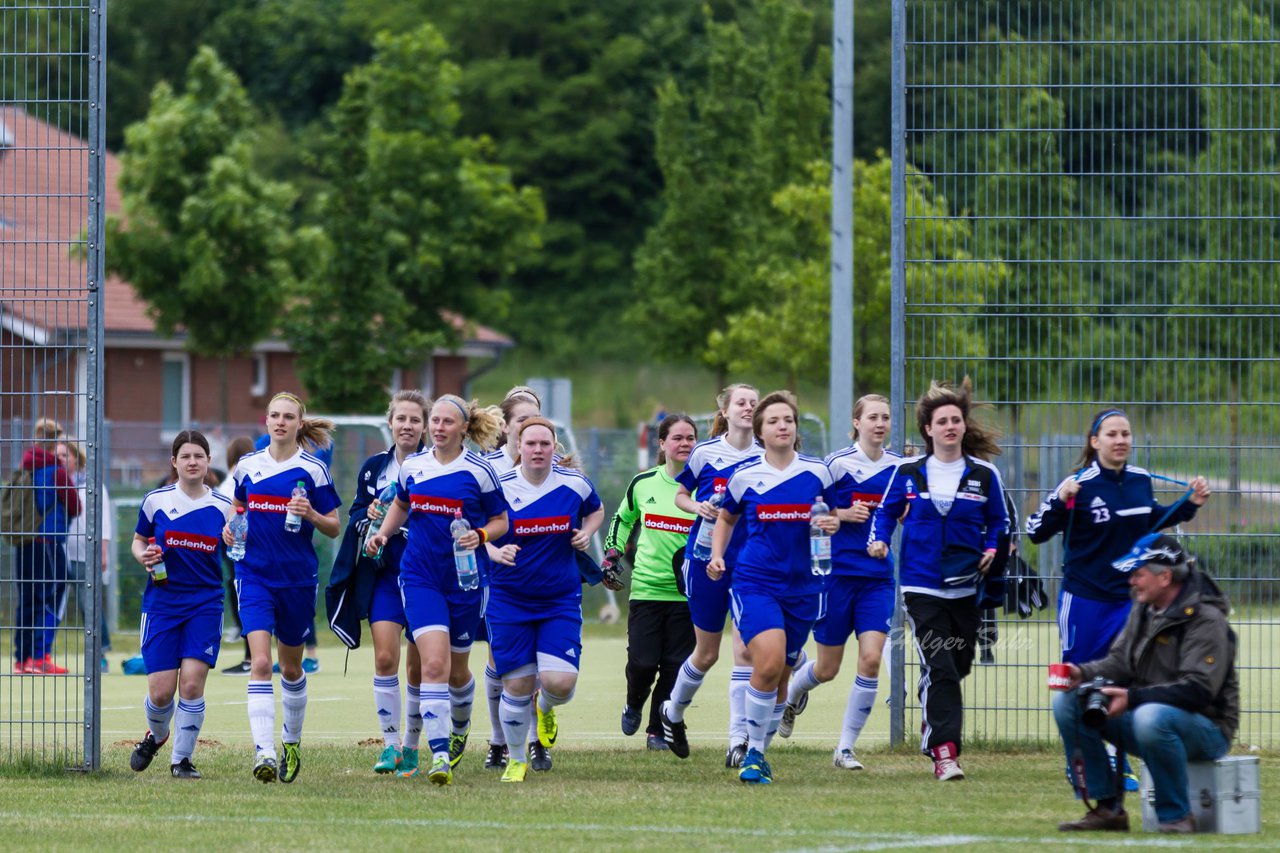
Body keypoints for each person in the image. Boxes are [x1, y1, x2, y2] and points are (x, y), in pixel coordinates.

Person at [1026, 408, 1210, 790]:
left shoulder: (1141, 480)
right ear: (1095, 442)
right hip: (1085, 600)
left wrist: (1189, 503)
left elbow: (1151, 521)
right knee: (1077, 682)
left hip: (1129, 601)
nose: (1121, 440)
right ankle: (1078, 764)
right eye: (1112, 434)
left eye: (1126, 433)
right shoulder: (1079, 482)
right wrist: (1060, 500)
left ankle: (1120, 763)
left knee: (1124, 680)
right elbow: (1035, 531)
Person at [868, 378, 1008, 781]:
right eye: (941, 421)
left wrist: (993, 549)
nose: (950, 426)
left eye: (956, 420)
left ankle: (931, 701)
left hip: (966, 588)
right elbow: (884, 514)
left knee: (955, 666)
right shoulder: (908, 472)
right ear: (927, 429)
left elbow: (999, 522)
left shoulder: (984, 475)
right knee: (943, 668)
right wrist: (878, 541)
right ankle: (945, 753)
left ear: (964, 426)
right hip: (921, 587)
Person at [365, 394, 508, 786]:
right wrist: (381, 533)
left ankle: (460, 726)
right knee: (432, 666)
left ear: (464, 428)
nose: (440, 427)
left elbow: (501, 521)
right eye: (437, 421)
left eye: (448, 422)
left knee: (457, 672)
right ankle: (439, 754)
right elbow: (401, 504)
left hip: (465, 581)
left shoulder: (478, 472)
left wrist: (479, 536)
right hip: (420, 576)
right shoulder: (413, 467)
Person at [1053, 533, 1238, 835]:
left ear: (1165, 577)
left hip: (1207, 728)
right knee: (1068, 703)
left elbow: (1197, 691)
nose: (1131, 582)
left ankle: (1176, 817)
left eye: (1138, 574)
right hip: (1149, 717)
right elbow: (1119, 663)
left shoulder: (1207, 619)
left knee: (1150, 717)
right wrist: (1081, 674)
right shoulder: (1144, 608)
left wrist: (1132, 698)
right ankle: (1108, 808)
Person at [704, 390, 838, 784]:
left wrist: (834, 522)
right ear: (761, 431)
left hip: (805, 586)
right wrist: (718, 555)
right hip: (755, 581)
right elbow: (726, 518)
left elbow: (833, 515)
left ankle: (760, 749)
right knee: (768, 662)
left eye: (789, 420)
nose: (783, 426)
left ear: (796, 429)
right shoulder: (746, 475)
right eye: (774, 421)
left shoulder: (818, 473)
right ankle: (752, 753)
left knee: (781, 673)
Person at [777, 394, 904, 770]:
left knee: (870, 660)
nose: (880, 424)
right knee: (828, 668)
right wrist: (842, 514)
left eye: (885, 418)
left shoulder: (900, 468)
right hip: (835, 577)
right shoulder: (835, 465)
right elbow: (811, 513)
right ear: (857, 423)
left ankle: (845, 748)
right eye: (872, 418)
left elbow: (905, 509)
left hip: (878, 579)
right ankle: (792, 696)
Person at [223, 392, 341, 784]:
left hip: (296, 578)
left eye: (288, 417)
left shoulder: (314, 469)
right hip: (253, 574)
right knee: (260, 663)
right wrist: (229, 527)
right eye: (274, 415)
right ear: (266, 420)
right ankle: (265, 752)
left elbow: (334, 525)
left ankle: (291, 740)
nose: (280, 422)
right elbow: (237, 506)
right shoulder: (247, 466)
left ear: (298, 423)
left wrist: (310, 513)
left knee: (291, 667)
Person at [485, 418, 605, 782]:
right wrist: (493, 551)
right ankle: (517, 758)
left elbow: (596, 510)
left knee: (559, 683)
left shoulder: (574, 484)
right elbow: (472, 530)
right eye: (531, 443)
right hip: (509, 599)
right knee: (517, 686)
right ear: (517, 446)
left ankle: (547, 708)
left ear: (555, 448)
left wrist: (585, 533)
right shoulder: (498, 488)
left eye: (545, 444)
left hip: (559, 600)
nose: (538, 450)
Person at [325, 390, 428, 777]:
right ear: (390, 423)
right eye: (401, 419)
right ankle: (390, 746)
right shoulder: (374, 468)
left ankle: (414, 744)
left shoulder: (435, 466)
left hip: (425, 573)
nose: (407, 426)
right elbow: (353, 516)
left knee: (419, 668)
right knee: (385, 658)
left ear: (425, 426)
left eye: (415, 420)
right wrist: (367, 516)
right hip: (385, 573)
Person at [661, 384, 762, 767]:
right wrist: (697, 506)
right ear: (726, 409)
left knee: (746, 649)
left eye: (754, 403)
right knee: (706, 653)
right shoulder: (706, 453)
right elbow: (681, 496)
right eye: (741, 402)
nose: (748, 408)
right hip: (705, 560)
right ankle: (673, 711)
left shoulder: (766, 454)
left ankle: (738, 739)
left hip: (750, 563)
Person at [128, 430, 234, 779]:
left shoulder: (222, 506)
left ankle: (182, 760)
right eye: (185, 456)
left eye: (198, 456)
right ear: (174, 462)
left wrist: (236, 539)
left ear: (207, 463)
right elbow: (139, 541)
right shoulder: (156, 500)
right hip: (161, 603)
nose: (192, 462)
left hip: (204, 603)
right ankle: (156, 736)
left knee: (190, 685)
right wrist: (145, 556)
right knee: (160, 693)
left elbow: (237, 548)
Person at [607, 415, 699, 750]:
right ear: (662, 444)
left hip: (688, 595)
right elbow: (622, 518)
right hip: (646, 590)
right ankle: (633, 702)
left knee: (675, 667)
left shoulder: (704, 488)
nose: (685, 443)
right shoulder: (644, 482)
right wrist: (612, 552)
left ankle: (656, 730)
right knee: (643, 663)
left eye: (690, 438)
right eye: (677, 437)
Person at [478, 385, 552, 770]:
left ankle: (537, 739)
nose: (532, 426)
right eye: (524, 419)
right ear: (507, 427)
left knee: (542, 666)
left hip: (542, 581)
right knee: (501, 661)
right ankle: (499, 740)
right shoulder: (489, 469)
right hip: (498, 577)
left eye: (538, 417)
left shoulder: (549, 465)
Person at [10, 418, 80, 675]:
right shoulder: (56, 471)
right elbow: (76, 506)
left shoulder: (25, 466)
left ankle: (22, 659)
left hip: (23, 541)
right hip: (49, 541)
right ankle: (40, 657)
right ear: (54, 442)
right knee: (49, 595)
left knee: (26, 598)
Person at [55, 440, 114, 674]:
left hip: (84, 555)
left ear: (75, 458)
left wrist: (103, 551)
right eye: (57, 455)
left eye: (64, 455)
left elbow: (105, 522)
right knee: (53, 606)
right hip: (59, 553)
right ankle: (41, 654)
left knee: (88, 605)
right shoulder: (55, 483)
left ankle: (100, 654)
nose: (60, 458)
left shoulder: (92, 485)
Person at [217, 436, 257, 675]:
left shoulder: (238, 477)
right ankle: (251, 655)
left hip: (240, 546)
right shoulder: (245, 474)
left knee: (242, 597)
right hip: (237, 544)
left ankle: (250, 657)